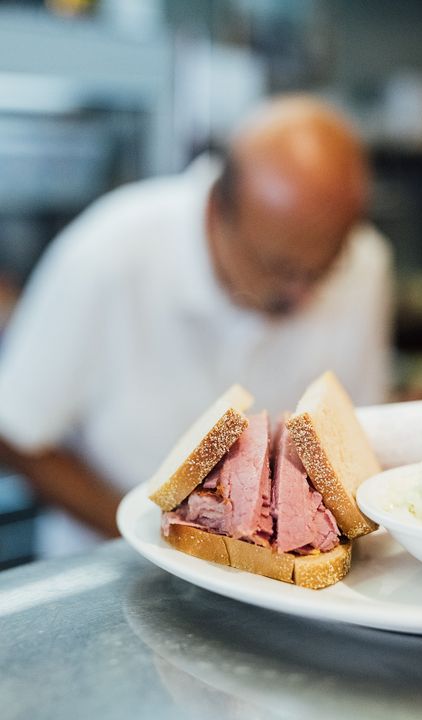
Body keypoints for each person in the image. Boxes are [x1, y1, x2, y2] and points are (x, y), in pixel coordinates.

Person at [0, 95, 393, 556]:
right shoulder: (108, 255)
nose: (301, 294)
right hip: (106, 565)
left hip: (282, 580)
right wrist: (149, 541)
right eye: (279, 269)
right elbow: (17, 435)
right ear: (215, 212)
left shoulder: (365, 262)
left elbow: (359, 433)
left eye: (322, 271)